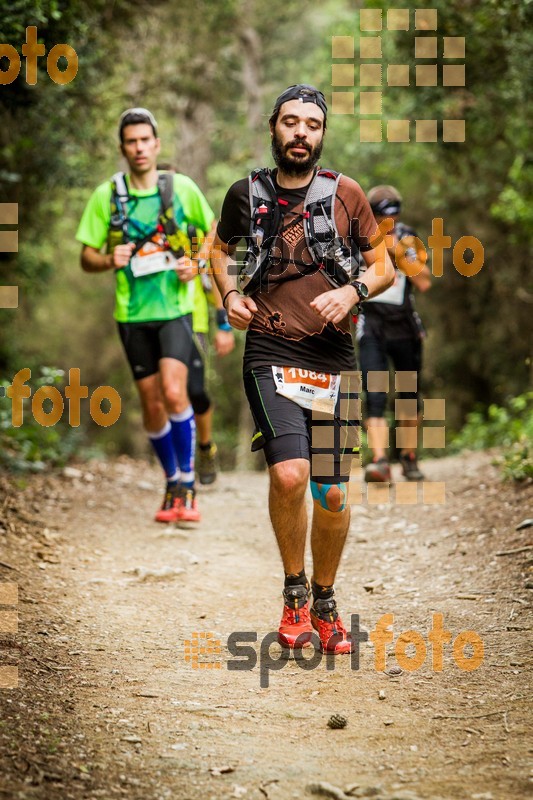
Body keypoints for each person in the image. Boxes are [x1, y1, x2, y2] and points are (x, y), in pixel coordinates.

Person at [211, 85, 394, 654]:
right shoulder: (246, 193)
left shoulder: (346, 194)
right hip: (269, 349)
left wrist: (354, 291)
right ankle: (293, 593)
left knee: (333, 493)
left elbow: (383, 266)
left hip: (334, 356)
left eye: (311, 125)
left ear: (321, 133)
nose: (300, 133)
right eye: (290, 122)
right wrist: (229, 293)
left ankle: (325, 599)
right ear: (273, 128)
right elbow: (217, 251)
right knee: (289, 475)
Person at [76, 108, 216, 524]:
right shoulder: (106, 195)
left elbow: (213, 233)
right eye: (131, 142)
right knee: (151, 404)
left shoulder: (181, 188)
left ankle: (188, 485)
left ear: (157, 144)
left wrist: (197, 263)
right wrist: (107, 259)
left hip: (176, 308)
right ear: (123, 149)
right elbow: (85, 256)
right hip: (132, 313)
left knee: (176, 393)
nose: (139, 148)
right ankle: (170, 479)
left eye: (145, 140)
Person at [356, 185, 431, 483]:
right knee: (374, 394)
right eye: (381, 217)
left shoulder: (407, 237)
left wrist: (396, 251)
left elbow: (424, 282)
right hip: (371, 326)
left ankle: (409, 457)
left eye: (393, 217)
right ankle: (379, 461)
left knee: (408, 395)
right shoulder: (356, 238)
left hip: (404, 327)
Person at [189, 264, 235, 484]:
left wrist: (223, 323)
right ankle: (179, 470)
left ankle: (205, 446)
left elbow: (214, 265)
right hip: (147, 317)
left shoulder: (198, 230)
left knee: (195, 391)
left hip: (192, 321)